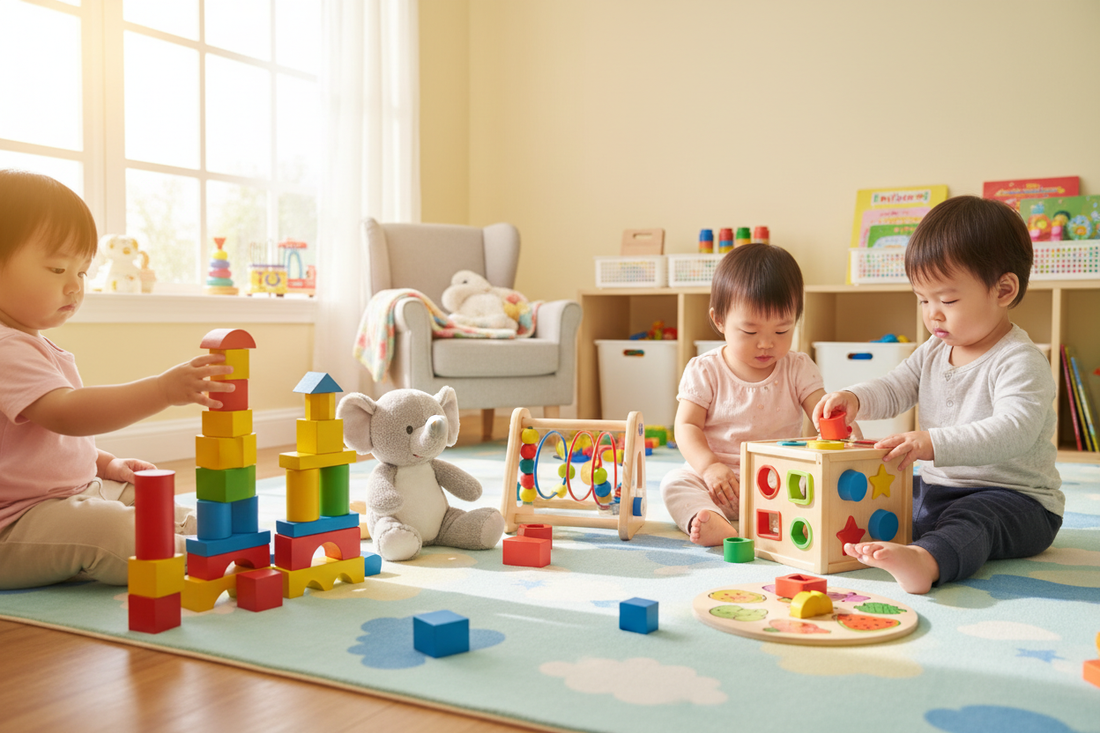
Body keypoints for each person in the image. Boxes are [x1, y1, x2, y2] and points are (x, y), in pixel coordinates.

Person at [813, 195, 1063, 594]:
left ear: (1003, 290)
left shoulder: (1020, 360)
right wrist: (855, 398)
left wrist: (931, 443)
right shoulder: (933, 349)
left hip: (1014, 500)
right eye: (923, 300)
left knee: (974, 521)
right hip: (937, 488)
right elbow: (895, 386)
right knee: (889, 495)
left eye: (947, 300)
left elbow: (1013, 430)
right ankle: (862, 542)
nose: (933, 314)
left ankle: (927, 562)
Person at [0, 169, 235, 590]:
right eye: (56, 269)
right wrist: (162, 390)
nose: (74, 286)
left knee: (149, 499)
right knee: (115, 531)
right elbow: (67, 415)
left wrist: (105, 463)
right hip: (14, 526)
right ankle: (205, 551)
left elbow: (42, 443)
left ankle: (217, 533)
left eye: (83, 271)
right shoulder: (4, 348)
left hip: (68, 495)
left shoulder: (29, 344)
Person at [661, 243, 828, 547]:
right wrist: (709, 466)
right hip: (715, 483)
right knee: (674, 483)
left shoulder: (798, 367)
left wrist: (843, 430)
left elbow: (824, 416)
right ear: (720, 320)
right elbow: (686, 427)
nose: (766, 344)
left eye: (782, 331)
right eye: (750, 332)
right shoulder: (705, 370)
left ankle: (775, 521)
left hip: (779, 482)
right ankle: (712, 520)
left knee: (818, 484)